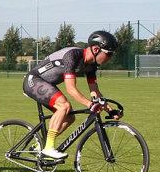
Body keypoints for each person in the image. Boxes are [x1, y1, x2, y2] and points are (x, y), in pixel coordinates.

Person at [22, 30, 118, 160]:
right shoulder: (72, 56)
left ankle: (41, 146)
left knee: (69, 117)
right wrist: (90, 104)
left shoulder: (91, 65)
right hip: (34, 80)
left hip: (47, 83)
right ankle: (49, 148)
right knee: (64, 106)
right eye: (109, 53)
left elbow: (94, 91)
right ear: (96, 49)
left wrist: (109, 109)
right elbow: (71, 89)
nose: (110, 57)